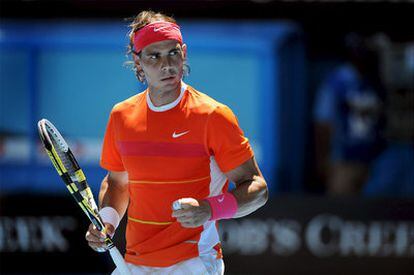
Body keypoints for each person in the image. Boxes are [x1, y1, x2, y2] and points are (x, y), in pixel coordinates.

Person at [85, 10, 268, 274]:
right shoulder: (120, 116)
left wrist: (208, 210)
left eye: (173, 52)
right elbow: (117, 182)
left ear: (184, 52)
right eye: (154, 56)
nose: (166, 64)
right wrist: (108, 221)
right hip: (135, 262)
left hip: (195, 263)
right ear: (138, 62)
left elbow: (257, 188)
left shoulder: (213, 116)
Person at [313, 33, 386, 195]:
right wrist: (323, 159)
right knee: (342, 207)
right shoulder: (337, 82)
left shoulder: (373, 81)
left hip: (372, 158)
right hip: (343, 159)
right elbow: (323, 123)